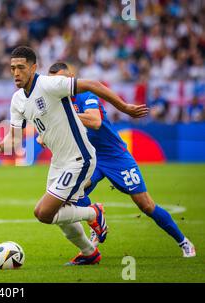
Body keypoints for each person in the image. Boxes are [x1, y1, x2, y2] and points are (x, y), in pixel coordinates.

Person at [0, 46, 148, 265]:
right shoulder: (17, 100)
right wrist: (0, 148)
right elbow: (14, 139)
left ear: (33, 68)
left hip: (79, 158)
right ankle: (89, 253)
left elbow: (92, 84)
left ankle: (93, 212)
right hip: (59, 162)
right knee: (59, 215)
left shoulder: (49, 84)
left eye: (21, 68)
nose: (16, 73)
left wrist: (124, 107)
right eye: (13, 68)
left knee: (43, 213)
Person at [45, 62, 195, 257]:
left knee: (146, 205)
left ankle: (183, 241)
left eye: (62, 80)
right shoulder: (56, 102)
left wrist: (65, 116)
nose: (58, 84)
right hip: (91, 159)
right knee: (74, 192)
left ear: (71, 78)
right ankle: (97, 222)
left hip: (115, 156)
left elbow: (95, 121)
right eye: (54, 81)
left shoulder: (85, 95)